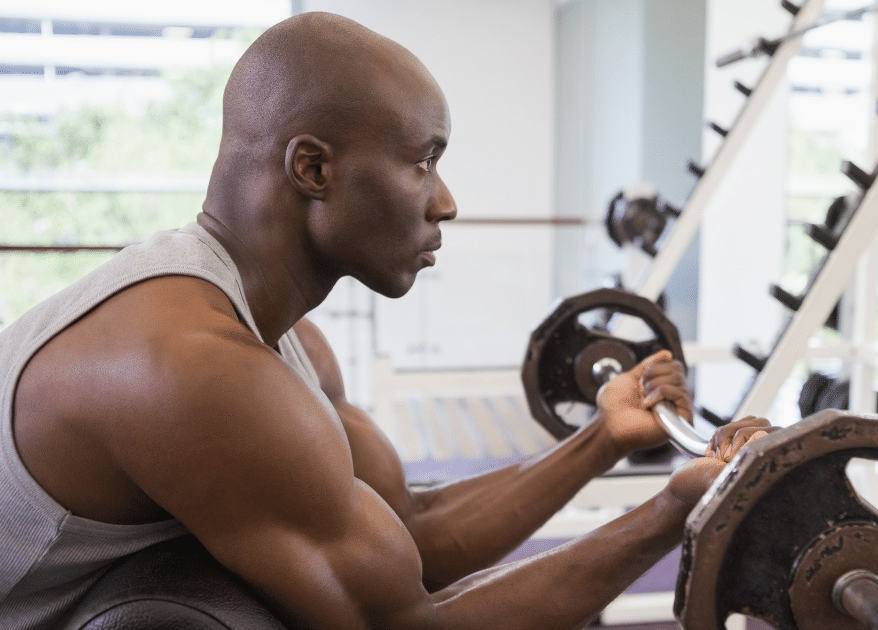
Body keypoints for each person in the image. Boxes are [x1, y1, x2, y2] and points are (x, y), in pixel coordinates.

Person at [0, 12, 772, 630]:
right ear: (313, 169)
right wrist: (674, 511)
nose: (445, 201)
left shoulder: (287, 340)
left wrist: (601, 439)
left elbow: (413, 535)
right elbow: (403, 624)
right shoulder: (189, 365)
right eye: (423, 160)